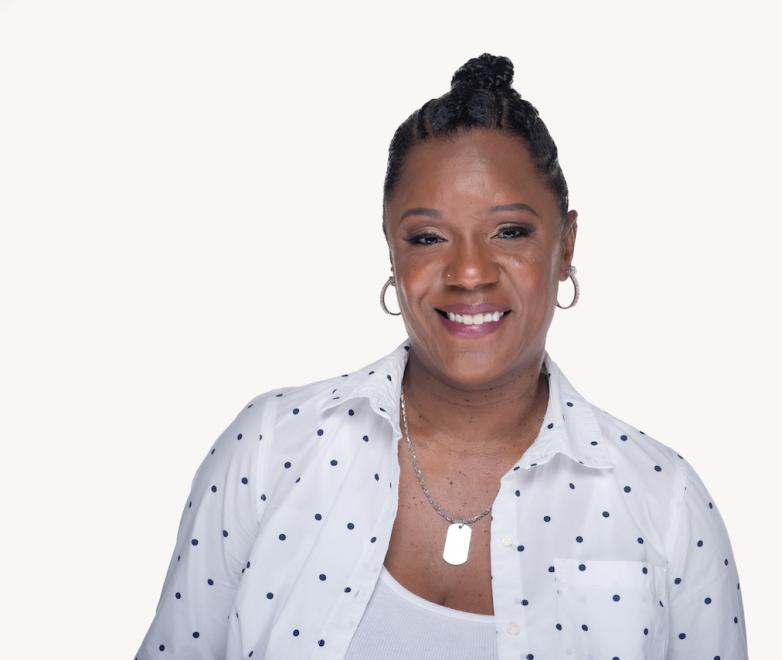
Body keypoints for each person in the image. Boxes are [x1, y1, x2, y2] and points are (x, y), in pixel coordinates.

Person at [135, 52, 748, 660]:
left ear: (566, 246)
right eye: (427, 237)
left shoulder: (665, 504)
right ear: (391, 250)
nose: (469, 271)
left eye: (510, 232)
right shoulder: (272, 448)